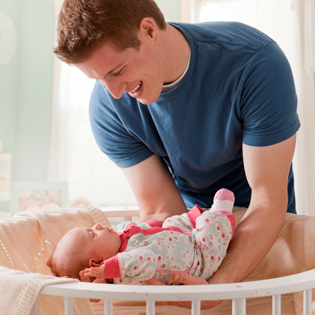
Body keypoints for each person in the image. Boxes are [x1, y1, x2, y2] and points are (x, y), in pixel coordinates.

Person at [54, 0, 300, 308]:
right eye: (100, 79)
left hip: (262, 237)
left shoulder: (256, 64)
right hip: (186, 241)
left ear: (148, 30)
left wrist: (216, 288)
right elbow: (161, 210)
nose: (114, 92)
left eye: (117, 71)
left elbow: (267, 202)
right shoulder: (108, 108)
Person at [46, 189, 235, 284]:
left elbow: (140, 229)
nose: (96, 225)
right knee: (211, 230)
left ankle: (197, 221)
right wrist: (108, 271)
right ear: (97, 263)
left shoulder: (117, 239)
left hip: (178, 236)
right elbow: (146, 258)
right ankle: (221, 215)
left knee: (171, 222)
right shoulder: (126, 271)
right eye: (92, 234)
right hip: (198, 259)